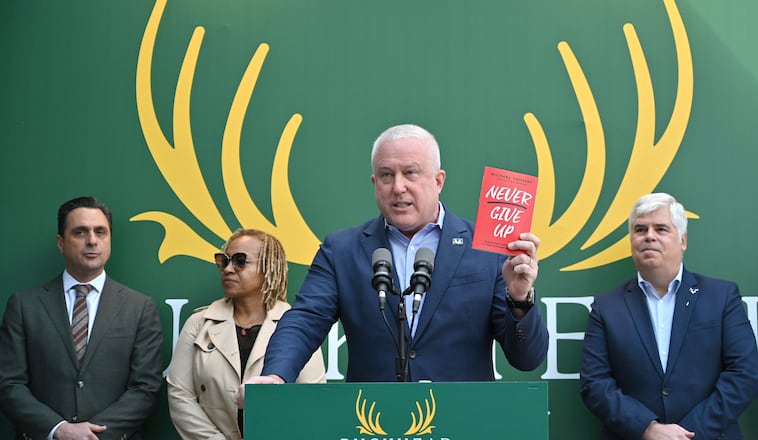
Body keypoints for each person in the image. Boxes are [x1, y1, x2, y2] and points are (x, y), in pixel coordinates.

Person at [236, 123, 549, 404]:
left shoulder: (485, 250)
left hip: (463, 421)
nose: (398, 187)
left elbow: (527, 358)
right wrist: (276, 375)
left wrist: (519, 298)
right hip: (372, 421)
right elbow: (305, 320)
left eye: (411, 173)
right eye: (386, 175)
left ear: (438, 180)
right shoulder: (342, 250)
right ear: (374, 182)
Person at [579, 193, 758, 440]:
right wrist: (647, 428)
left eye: (661, 229)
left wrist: (689, 434)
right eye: (640, 229)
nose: (649, 236)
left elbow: (744, 375)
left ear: (682, 240)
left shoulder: (722, 297)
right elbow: (595, 383)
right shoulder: (606, 306)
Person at [0, 196, 163, 440]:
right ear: (60, 243)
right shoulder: (24, 306)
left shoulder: (140, 308)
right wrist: (59, 430)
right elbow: (9, 384)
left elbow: (145, 388)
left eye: (101, 232)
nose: (92, 241)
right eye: (80, 232)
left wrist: (91, 435)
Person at [167, 229, 325, 439]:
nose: (228, 269)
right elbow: (180, 394)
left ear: (269, 267)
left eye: (240, 261)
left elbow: (311, 400)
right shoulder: (198, 324)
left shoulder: (296, 326)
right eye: (224, 261)